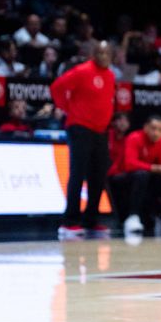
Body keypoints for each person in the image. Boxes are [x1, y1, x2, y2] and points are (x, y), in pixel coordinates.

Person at [51, 41, 116, 235]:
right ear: (94, 54)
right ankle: (70, 220)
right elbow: (57, 88)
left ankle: (91, 219)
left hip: (100, 131)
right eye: (100, 52)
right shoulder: (82, 71)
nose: (104, 56)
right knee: (78, 173)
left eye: (107, 53)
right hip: (80, 128)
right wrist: (66, 108)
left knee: (98, 175)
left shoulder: (111, 75)